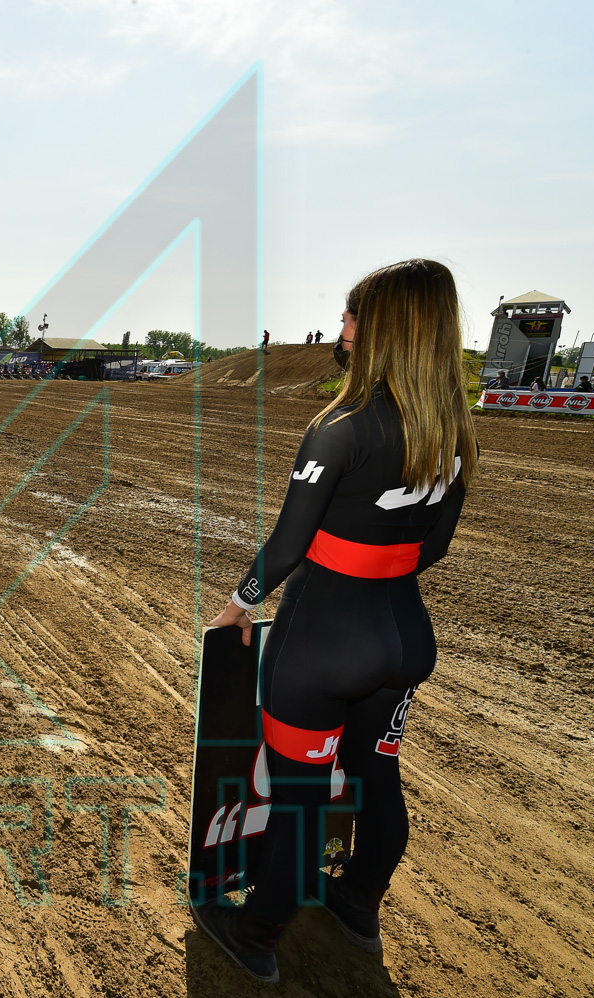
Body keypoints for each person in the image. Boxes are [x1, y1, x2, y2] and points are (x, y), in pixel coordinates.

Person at [196, 259, 477, 984]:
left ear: (383, 328)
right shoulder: (453, 432)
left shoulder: (341, 428)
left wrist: (237, 607)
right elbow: (434, 548)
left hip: (323, 643)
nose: (342, 327)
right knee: (378, 776)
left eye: (351, 315)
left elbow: (287, 547)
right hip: (404, 636)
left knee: (296, 800)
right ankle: (357, 906)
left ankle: (256, 933)